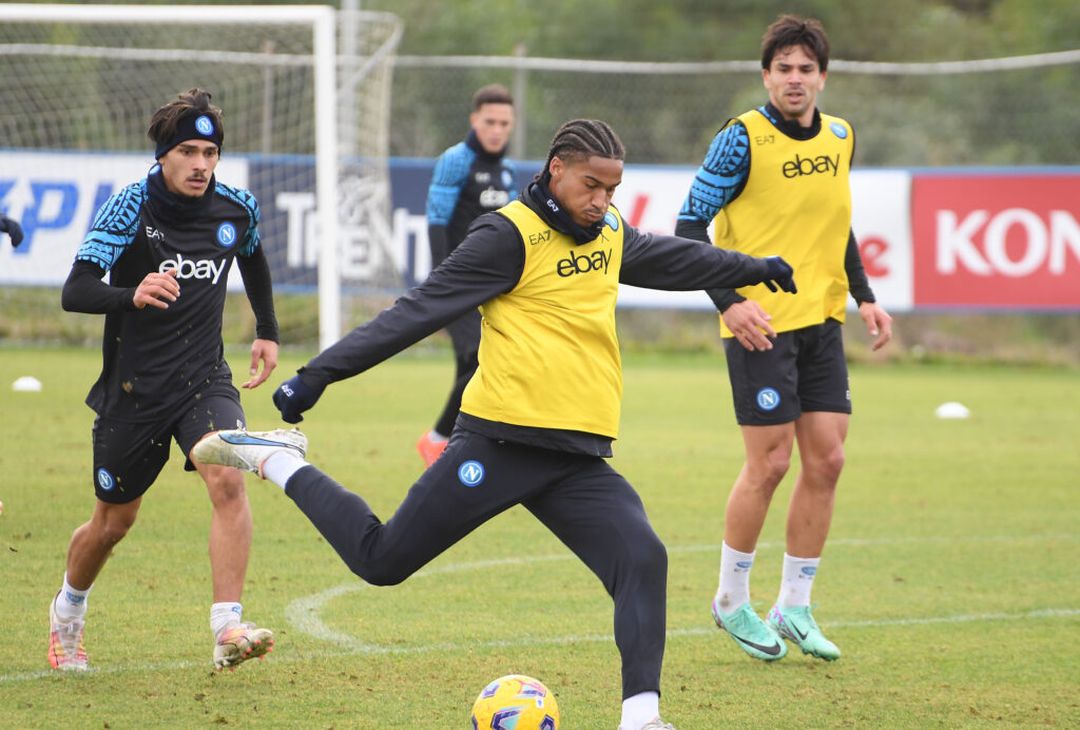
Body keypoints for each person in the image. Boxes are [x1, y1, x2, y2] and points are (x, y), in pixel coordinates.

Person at [193, 119, 796, 730]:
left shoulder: (607, 231)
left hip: (575, 456)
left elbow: (669, 257)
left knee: (642, 557)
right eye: (591, 186)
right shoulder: (508, 236)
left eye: (612, 189)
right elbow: (417, 310)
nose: (602, 201)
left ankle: (641, 718)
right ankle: (277, 459)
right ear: (556, 168)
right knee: (381, 561)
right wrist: (319, 374)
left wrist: (745, 266)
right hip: (499, 441)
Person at [675, 15, 893, 663]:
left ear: (823, 76)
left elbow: (837, 223)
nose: (794, 79)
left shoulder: (841, 135)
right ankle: (730, 600)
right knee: (769, 464)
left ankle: (793, 606)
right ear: (765, 74)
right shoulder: (739, 140)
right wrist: (731, 302)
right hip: (760, 327)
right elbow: (688, 230)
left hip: (822, 323)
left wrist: (866, 295)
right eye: (783, 69)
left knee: (826, 461)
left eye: (806, 69)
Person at [50, 88, 280, 672]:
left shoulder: (236, 206)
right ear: (163, 156)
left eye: (210, 152)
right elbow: (75, 291)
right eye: (188, 151)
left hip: (205, 380)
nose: (202, 164)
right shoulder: (130, 207)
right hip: (134, 392)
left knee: (228, 479)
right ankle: (67, 613)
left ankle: (227, 626)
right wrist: (133, 293)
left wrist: (267, 329)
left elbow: (251, 255)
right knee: (112, 522)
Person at [417, 83, 517, 467]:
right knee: (481, 361)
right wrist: (443, 280)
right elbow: (437, 220)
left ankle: (457, 448)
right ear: (475, 120)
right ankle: (438, 440)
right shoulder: (456, 160)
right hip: (457, 284)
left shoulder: (506, 170)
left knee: (471, 369)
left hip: (494, 290)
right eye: (489, 121)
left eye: (504, 123)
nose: (496, 129)